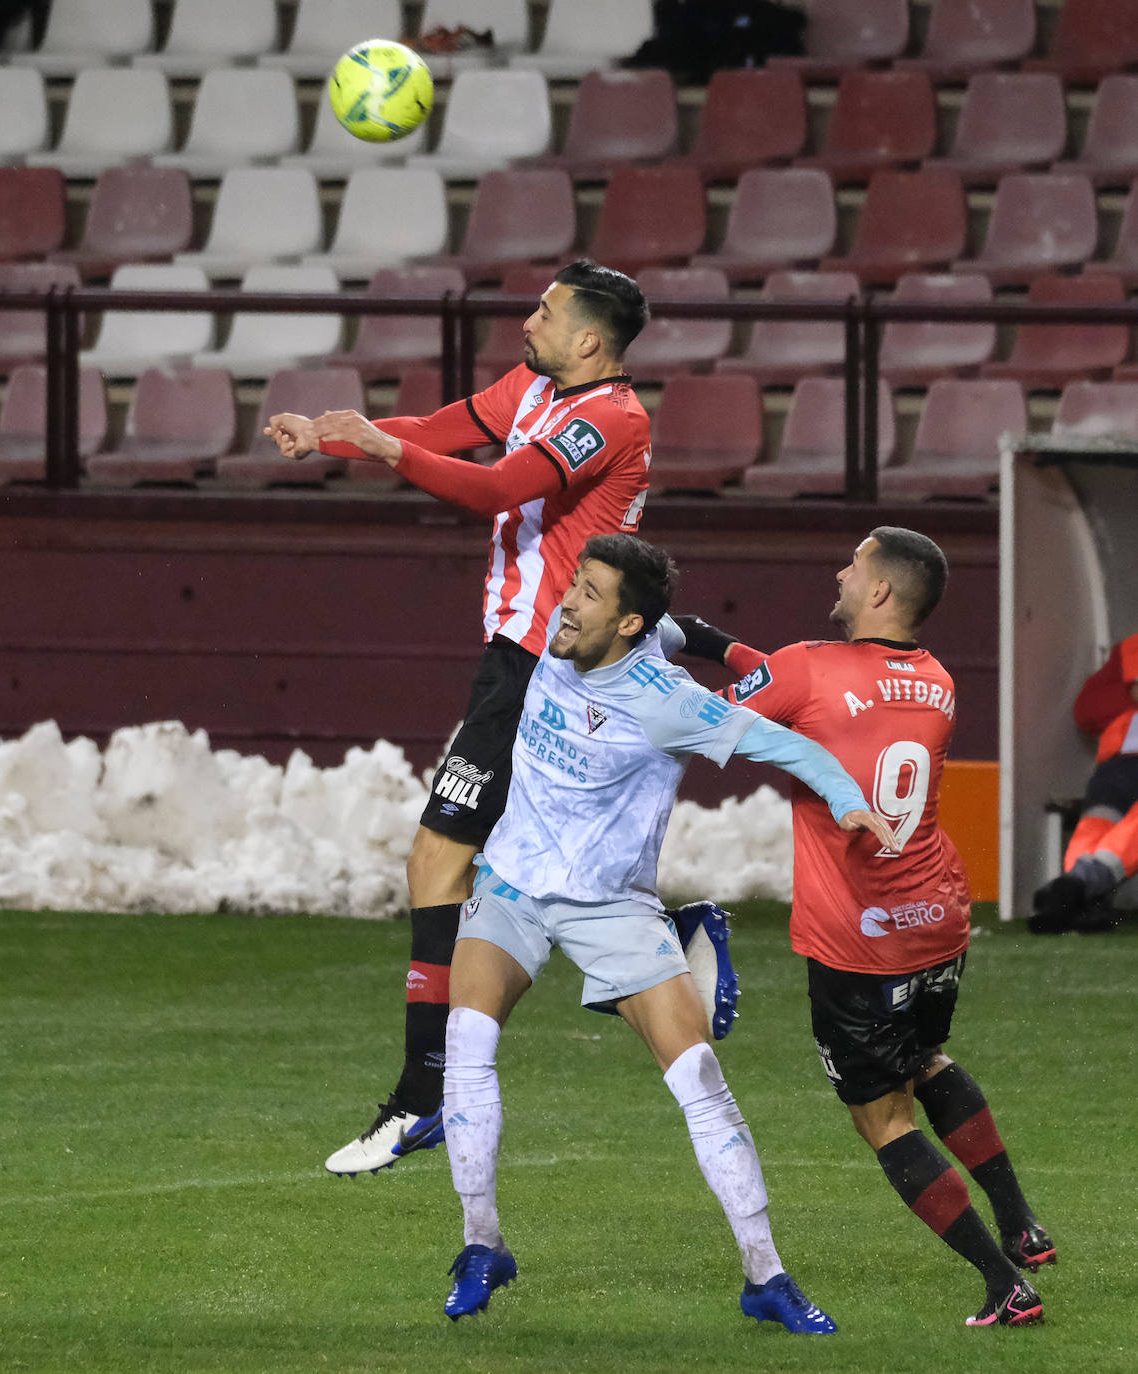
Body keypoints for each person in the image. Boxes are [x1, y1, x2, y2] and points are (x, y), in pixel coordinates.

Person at [265, 260, 707, 1177]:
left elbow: (496, 488)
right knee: (499, 873)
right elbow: (438, 429)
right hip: (520, 662)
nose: (529, 319)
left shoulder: (609, 417)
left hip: (556, 672)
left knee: (456, 860)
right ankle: (441, 1081)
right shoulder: (534, 386)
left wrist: (384, 453)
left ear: (591, 338)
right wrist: (333, 436)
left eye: (546, 311)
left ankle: (426, 1092)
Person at [440, 533, 901, 1329]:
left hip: (611, 906)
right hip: (511, 884)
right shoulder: (571, 638)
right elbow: (680, 625)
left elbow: (783, 743)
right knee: (467, 1046)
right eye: (574, 583)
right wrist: (727, 643)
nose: (568, 601)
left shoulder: (668, 702)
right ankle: (483, 1246)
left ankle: (765, 1278)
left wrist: (843, 797)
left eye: (588, 593)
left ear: (625, 627)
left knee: (699, 1083)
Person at [673, 527, 1051, 1329]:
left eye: (854, 565)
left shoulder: (810, 666)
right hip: (936, 913)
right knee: (925, 1056)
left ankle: (1003, 1284)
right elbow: (818, 690)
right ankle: (1022, 1223)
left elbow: (707, 718)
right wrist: (720, 643)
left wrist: (681, 645)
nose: (840, 572)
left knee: (882, 1117)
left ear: (879, 592)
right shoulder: (939, 680)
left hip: (859, 930)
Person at [1030, 631, 1138, 934]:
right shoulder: (1134, 646)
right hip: (1122, 762)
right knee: (1097, 824)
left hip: (1121, 760)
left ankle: (1076, 889)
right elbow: (1090, 711)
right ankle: (1086, 899)